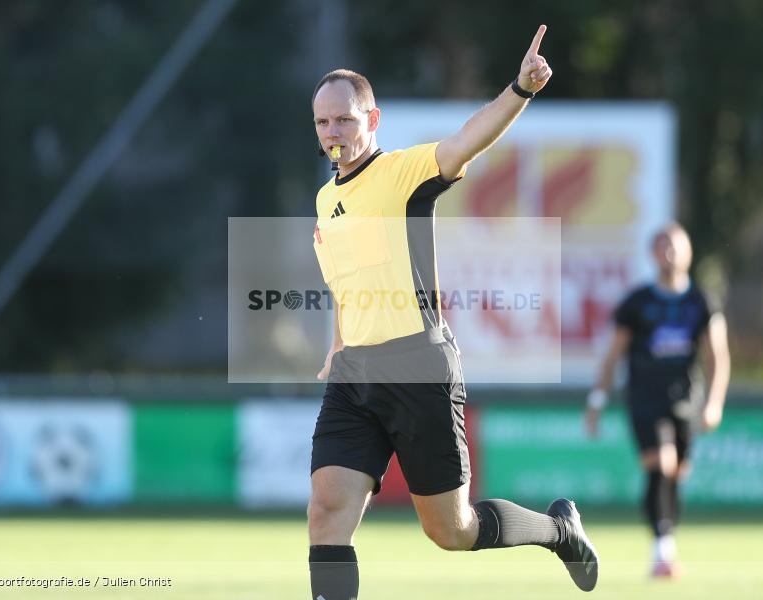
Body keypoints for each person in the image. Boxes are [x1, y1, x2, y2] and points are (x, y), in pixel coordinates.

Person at [308, 25, 598, 600]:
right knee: (326, 511)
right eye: (322, 121)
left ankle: (558, 531)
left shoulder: (403, 174)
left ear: (373, 119)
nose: (333, 131)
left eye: (344, 118)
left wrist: (520, 88)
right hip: (354, 376)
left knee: (452, 530)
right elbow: (348, 282)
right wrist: (338, 343)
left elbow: (468, 139)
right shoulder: (326, 198)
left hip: (418, 367)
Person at [585, 223, 730, 577]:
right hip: (645, 399)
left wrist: (714, 403)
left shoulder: (702, 302)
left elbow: (718, 357)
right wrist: (597, 399)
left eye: (676, 246)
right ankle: (661, 550)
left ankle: (667, 541)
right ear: (652, 254)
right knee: (660, 466)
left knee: (676, 473)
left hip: (686, 402)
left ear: (689, 253)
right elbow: (613, 354)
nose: (670, 253)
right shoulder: (637, 303)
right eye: (663, 246)